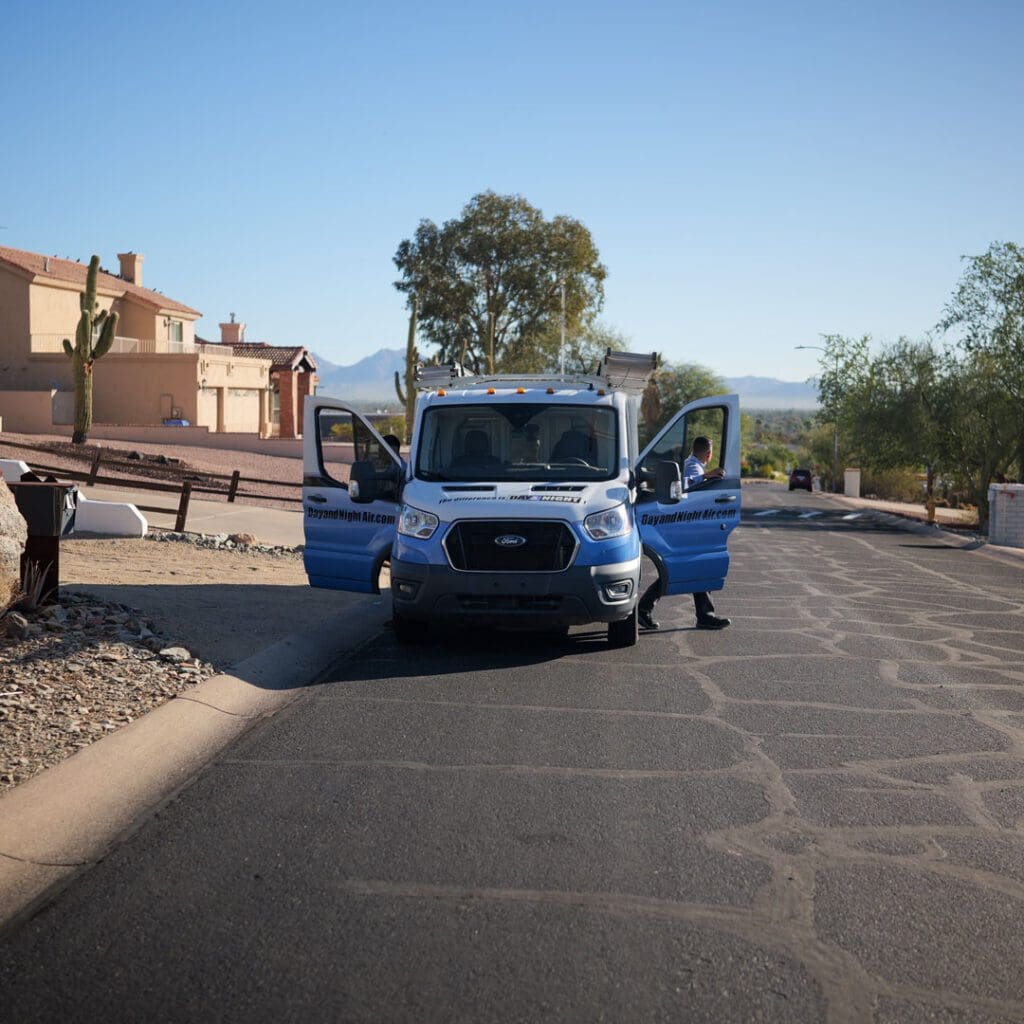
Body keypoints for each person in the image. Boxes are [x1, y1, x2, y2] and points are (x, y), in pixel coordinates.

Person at [638, 435, 731, 631]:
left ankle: (704, 614)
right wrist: (705, 478)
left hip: (687, 522)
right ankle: (645, 609)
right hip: (685, 523)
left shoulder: (693, 463)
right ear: (709, 454)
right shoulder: (694, 467)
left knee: (692, 566)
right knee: (680, 568)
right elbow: (686, 485)